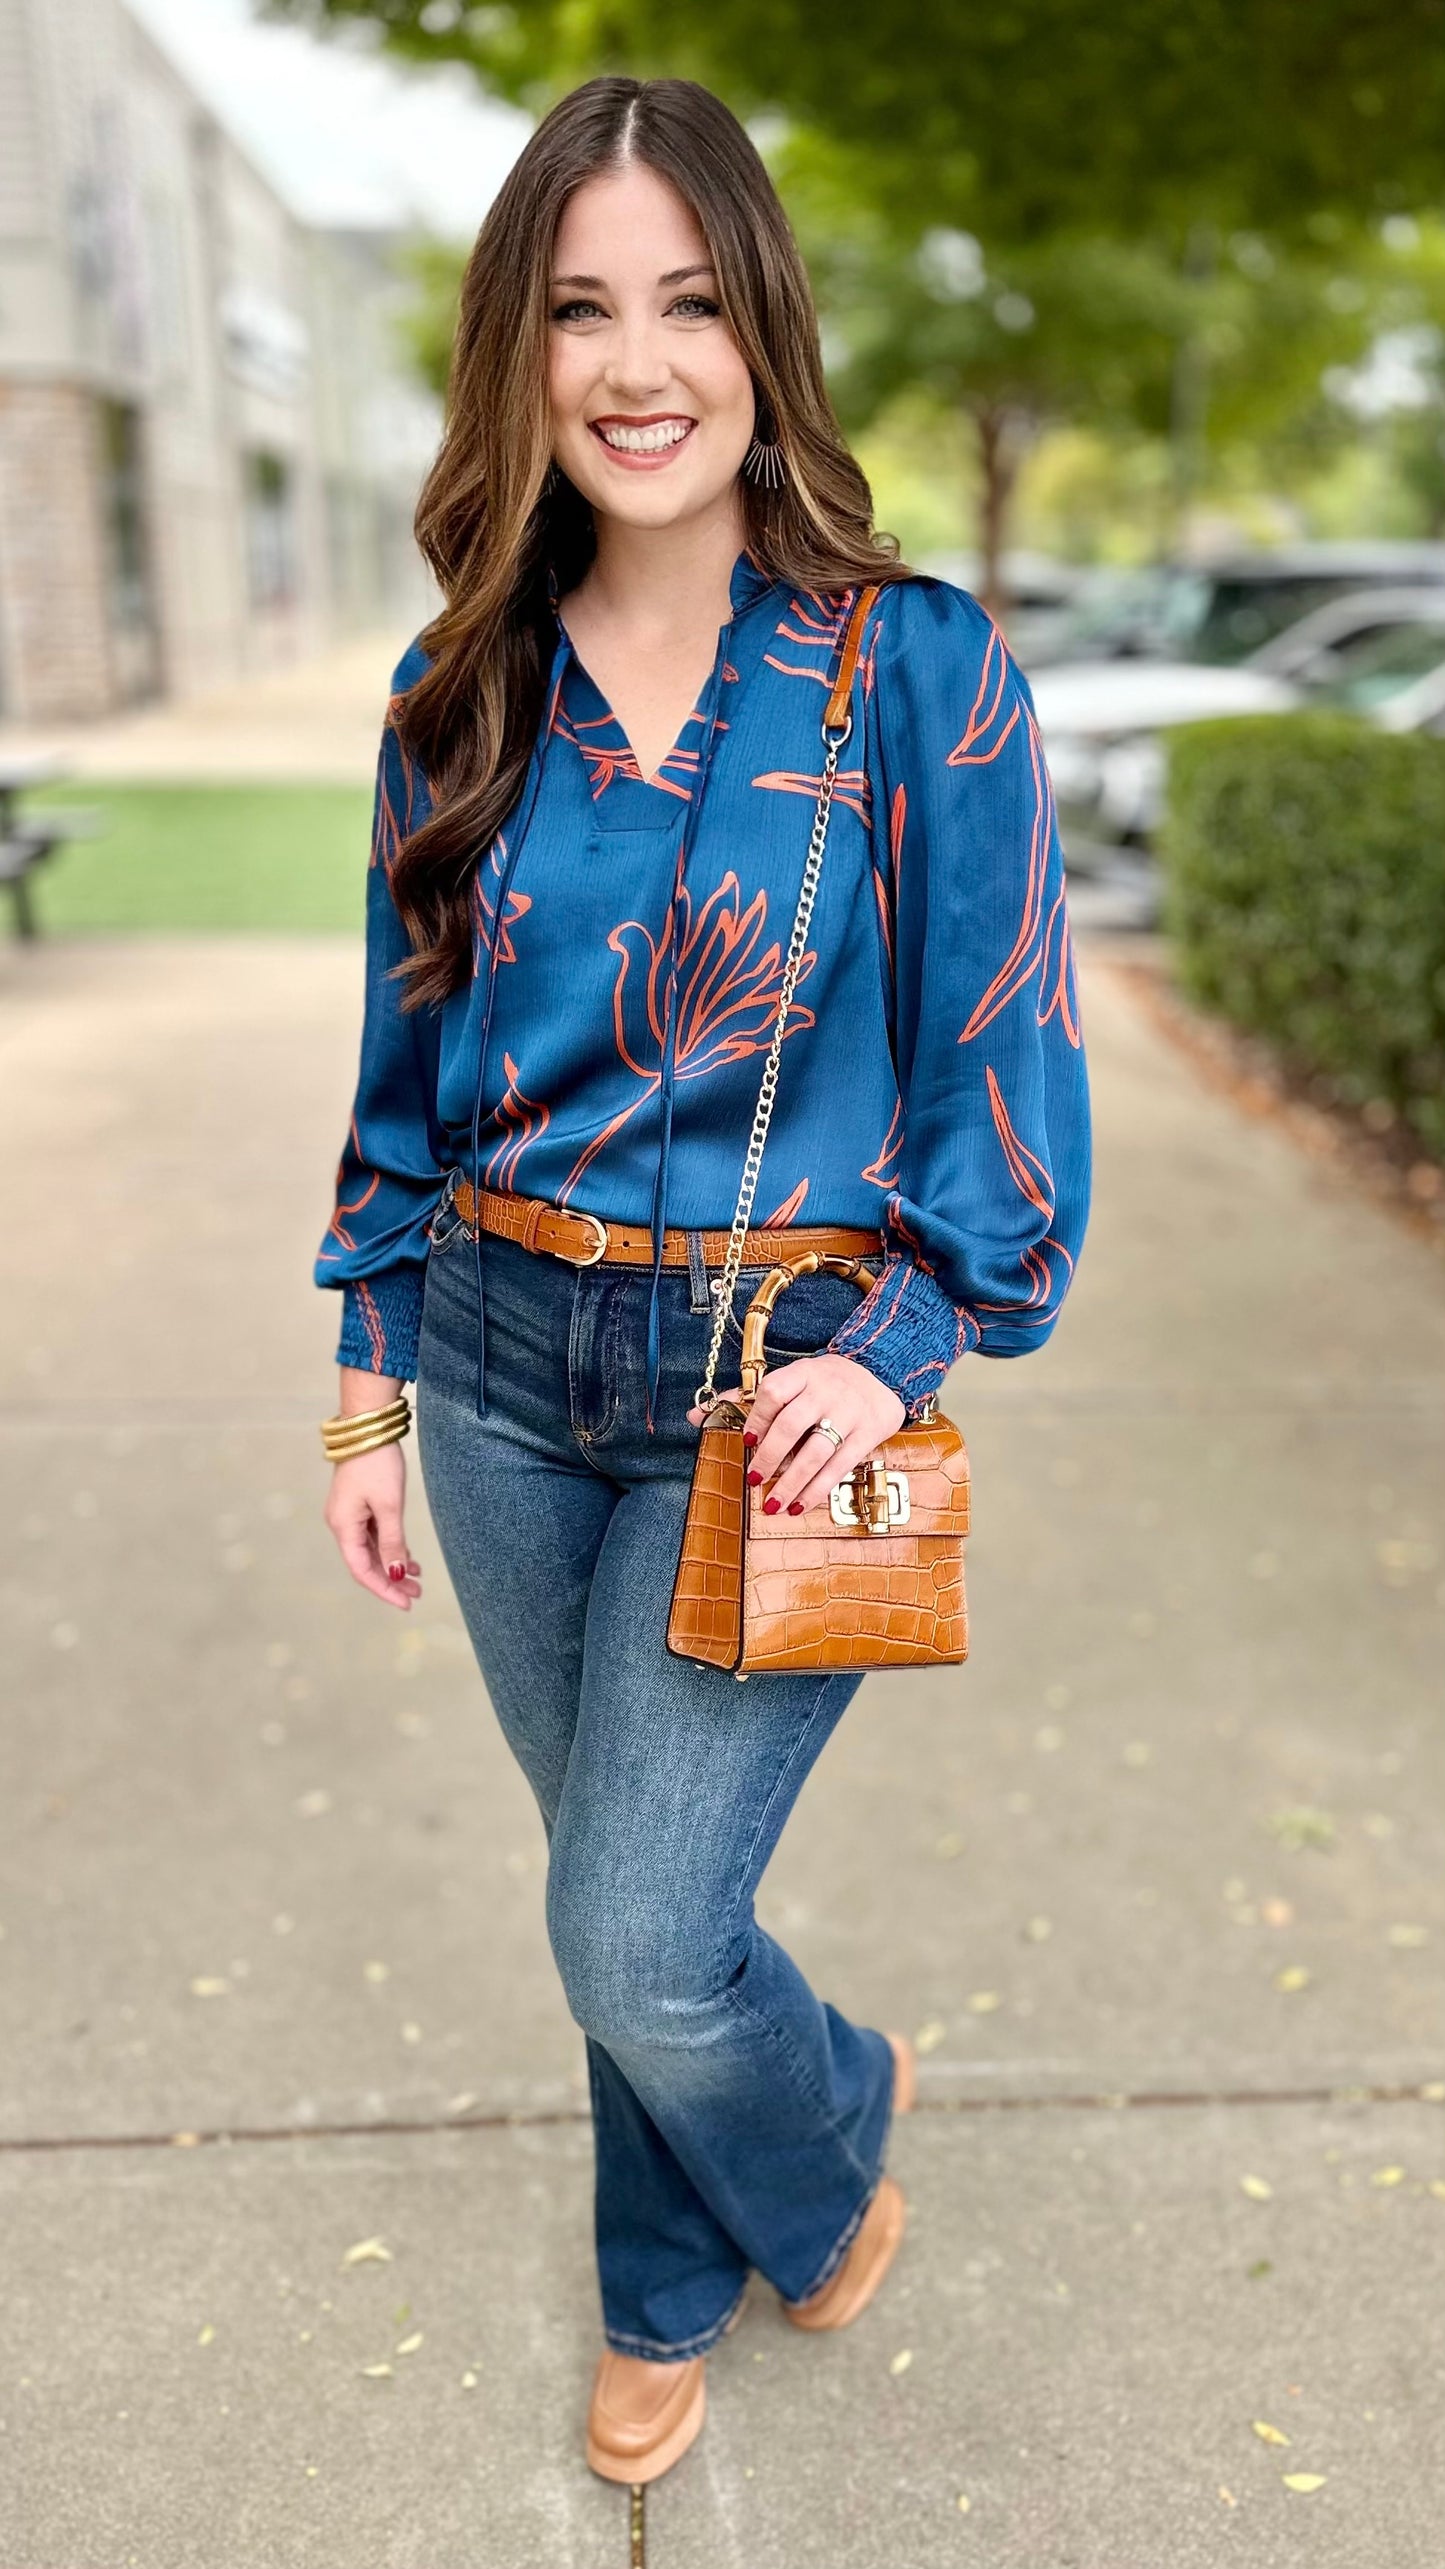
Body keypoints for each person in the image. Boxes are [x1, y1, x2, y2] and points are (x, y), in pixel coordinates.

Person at [314, 73, 1090, 2488]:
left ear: (761, 329)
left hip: (779, 1386)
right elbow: (400, 1084)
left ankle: (814, 2123)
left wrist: (913, 1344)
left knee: (647, 1930)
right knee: (600, 1900)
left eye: (686, 299)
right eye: (578, 307)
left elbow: (1004, 1052)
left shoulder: (910, 671)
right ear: (517, 355)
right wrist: (364, 1384)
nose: (638, 360)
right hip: (500, 1358)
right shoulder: (461, 693)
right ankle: (687, 2262)